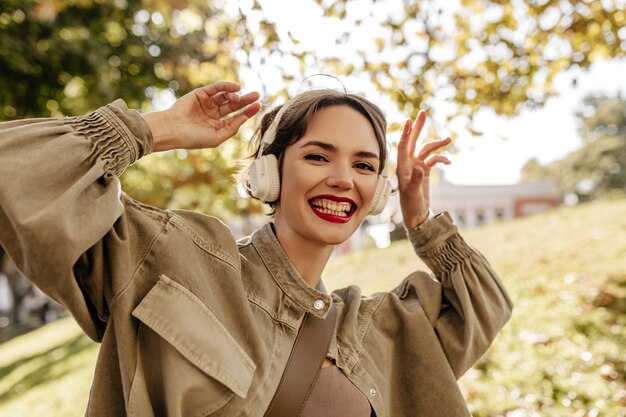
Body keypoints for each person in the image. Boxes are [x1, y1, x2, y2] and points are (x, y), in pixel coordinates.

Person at [0, 81, 512, 416]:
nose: (341, 180)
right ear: (269, 173)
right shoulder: (173, 256)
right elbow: (13, 173)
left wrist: (421, 222)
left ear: (378, 192)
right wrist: (157, 129)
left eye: (363, 166)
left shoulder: (376, 329)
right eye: (317, 156)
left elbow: (483, 309)